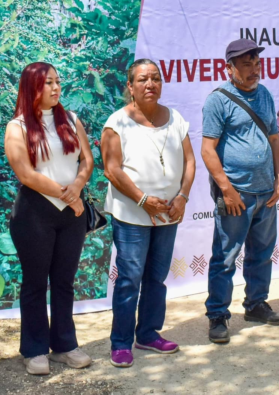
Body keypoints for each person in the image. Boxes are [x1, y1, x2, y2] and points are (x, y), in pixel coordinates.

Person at [101, 59, 195, 368]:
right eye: (142, 79)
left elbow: (190, 161)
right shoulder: (117, 123)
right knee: (129, 278)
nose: (150, 84)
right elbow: (112, 170)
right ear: (130, 87)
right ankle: (121, 343)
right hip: (132, 215)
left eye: (155, 78)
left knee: (157, 277)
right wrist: (143, 200)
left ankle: (149, 334)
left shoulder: (175, 118)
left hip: (168, 213)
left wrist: (182, 196)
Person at [4, 62, 94, 375]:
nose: (55, 88)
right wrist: (66, 194)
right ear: (32, 88)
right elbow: (25, 173)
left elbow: (87, 159)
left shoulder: (70, 119)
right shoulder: (17, 126)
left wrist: (79, 186)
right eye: (48, 83)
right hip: (34, 213)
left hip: (72, 215)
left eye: (57, 81)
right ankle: (34, 349)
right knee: (34, 283)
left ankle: (65, 345)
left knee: (64, 282)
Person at [201, 39, 279, 343]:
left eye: (256, 63)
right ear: (230, 68)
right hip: (236, 194)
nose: (254, 70)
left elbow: (275, 139)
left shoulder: (263, 94)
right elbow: (208, 150)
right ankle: (217, 315)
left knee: (262, 253)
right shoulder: (218, 100)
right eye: (246, 64)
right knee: (225, 256)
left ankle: (256, 304)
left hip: (266, 192)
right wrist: (227, 190)